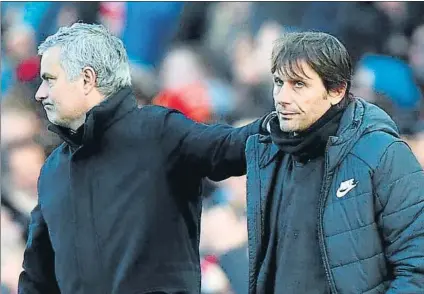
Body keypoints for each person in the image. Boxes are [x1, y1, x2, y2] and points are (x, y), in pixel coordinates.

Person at [18, 23, 271, 294]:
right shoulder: (54, 170)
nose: (40, 93)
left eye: (49, 79)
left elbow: (231, 146)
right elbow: (37, 278)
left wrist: (286, 123)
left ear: (87, 79)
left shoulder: (158, 132)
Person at [244, 31, 424, 294]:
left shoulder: (383, 153)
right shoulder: (269, 151)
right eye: (279, 82)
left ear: (337, 90)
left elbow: (417, 266)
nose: (282, 96)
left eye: (299, 84)